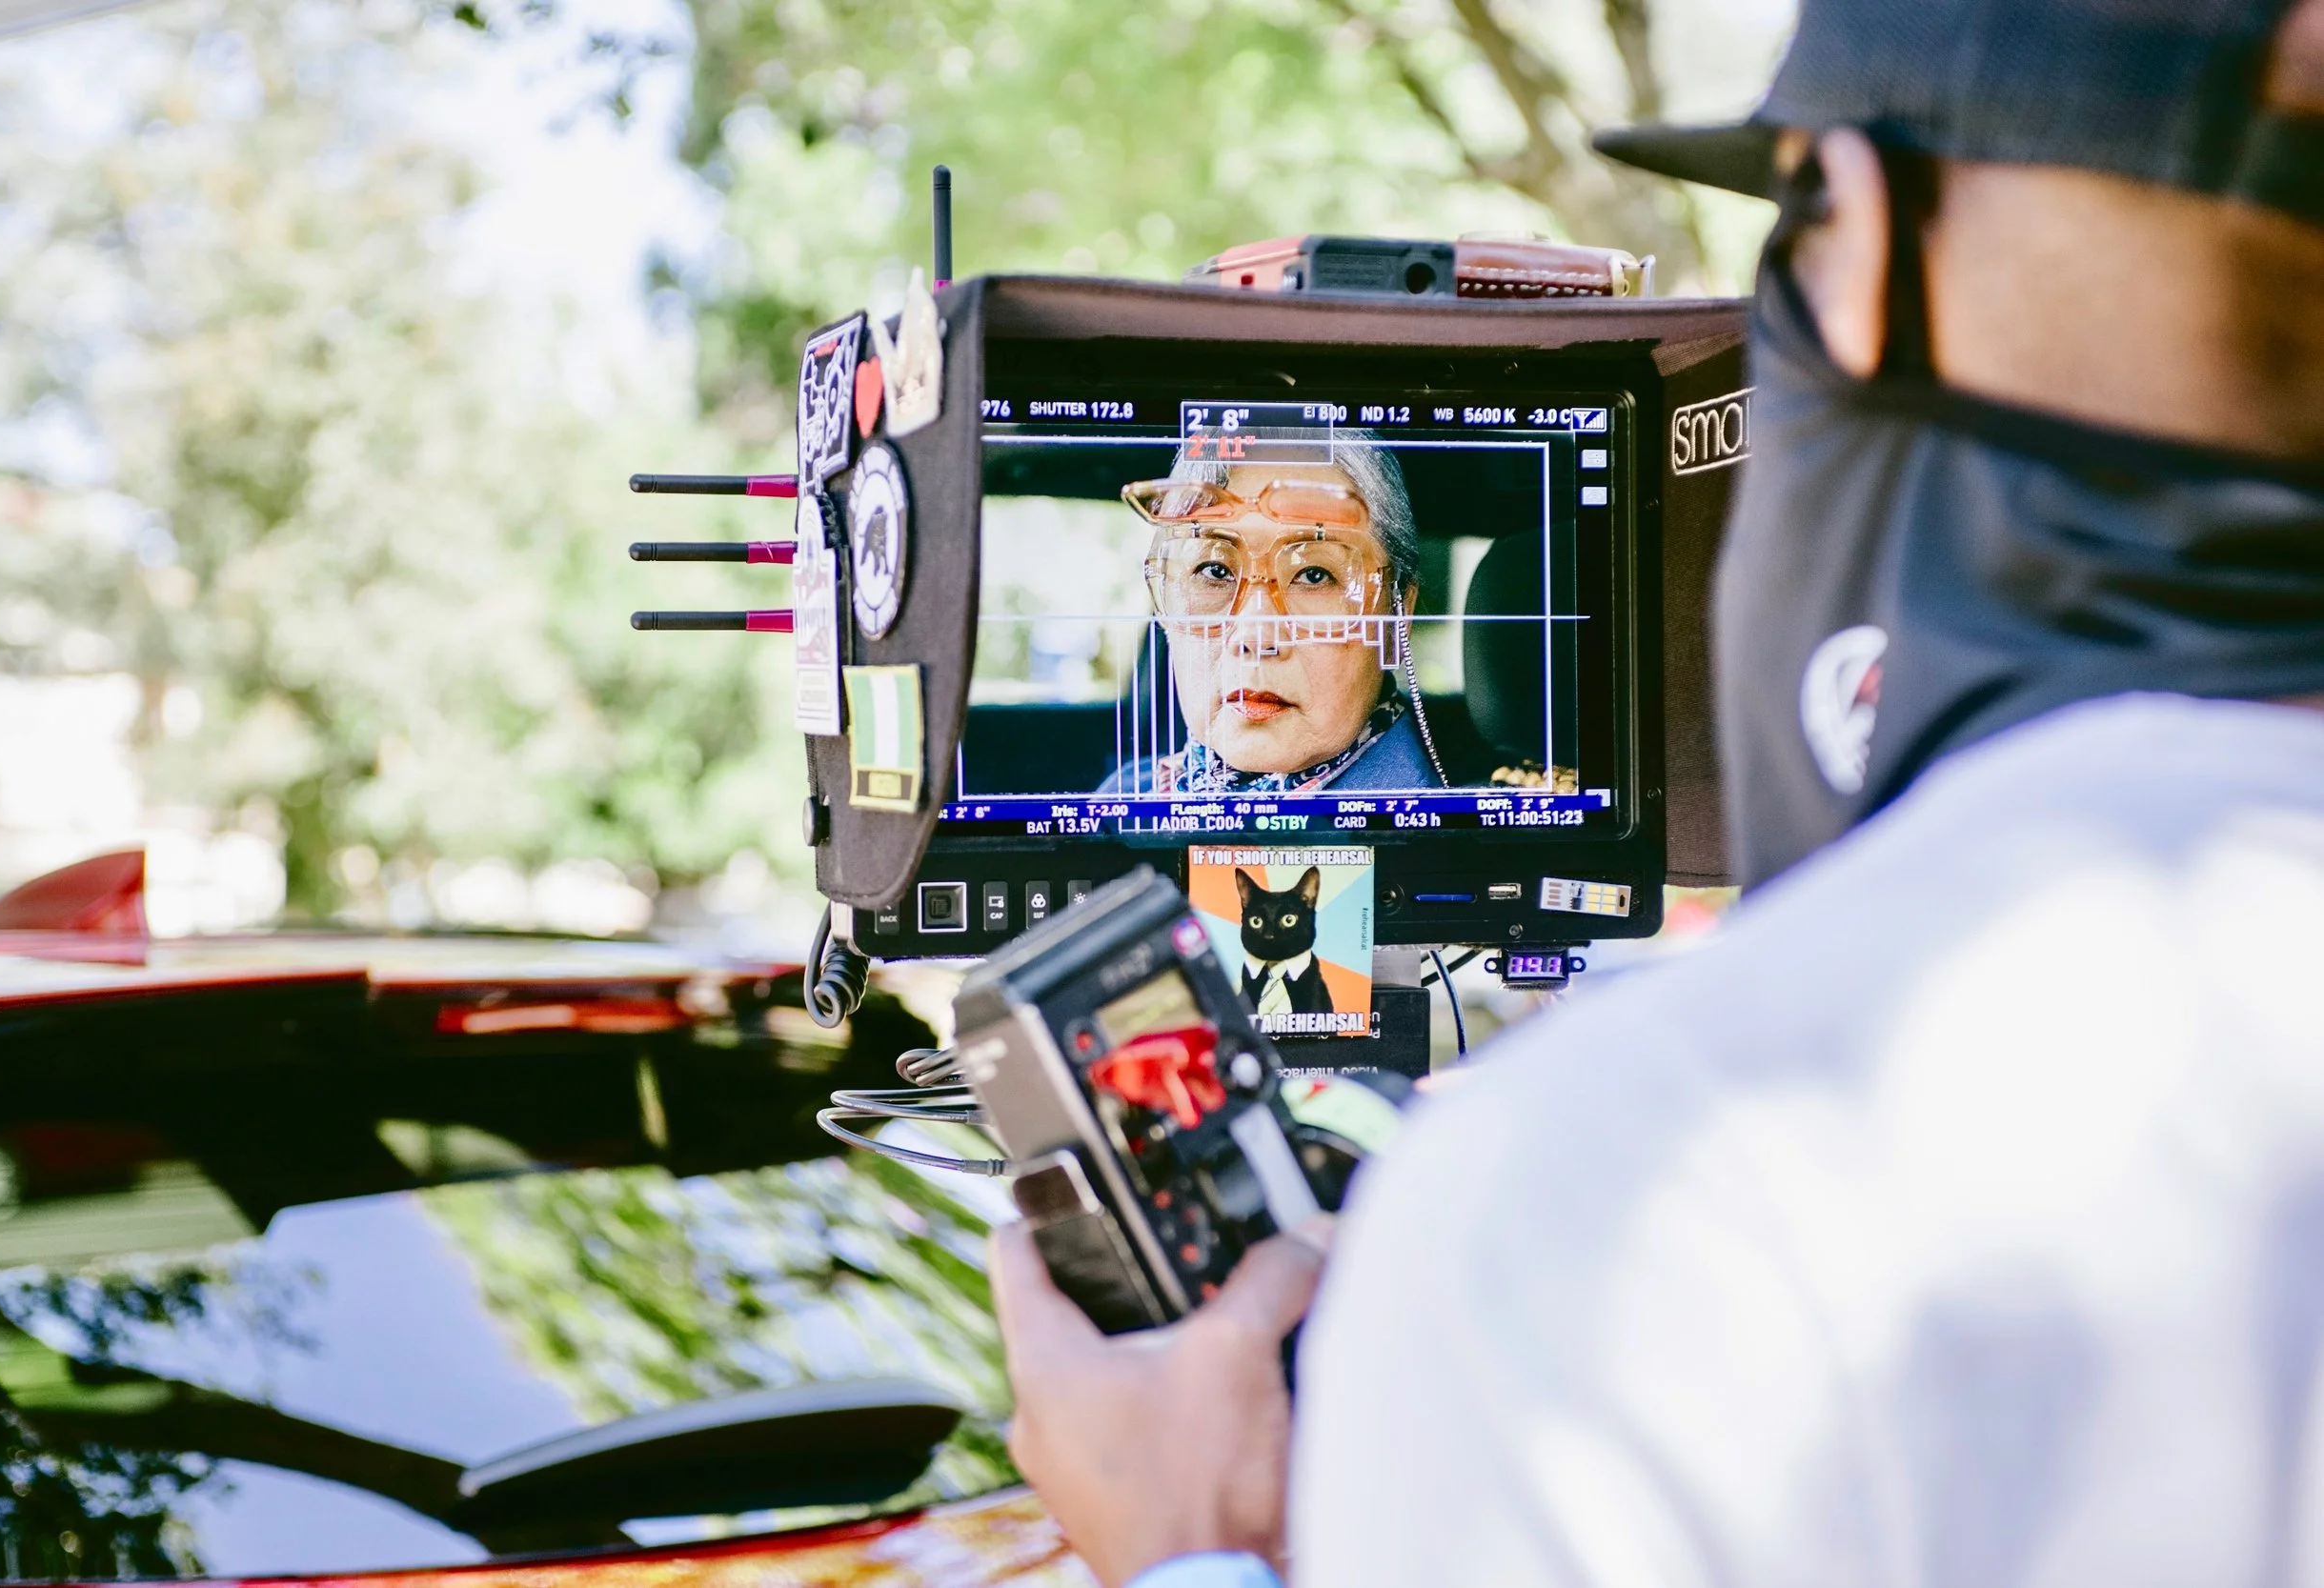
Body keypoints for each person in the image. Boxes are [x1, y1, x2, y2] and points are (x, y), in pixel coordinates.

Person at [995, 0, 2324, 1583]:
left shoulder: (1649, 1186)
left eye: (1315, 571)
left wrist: (1189, 1547)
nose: (1257, 624)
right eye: (1211, 569)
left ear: (1856, 232)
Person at [1098, 432, 1441, 795]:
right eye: (1215, 571)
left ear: (1398, 613)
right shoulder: (1124, 796)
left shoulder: (1445, 826)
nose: (1255, 637)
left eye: (1314, 575)